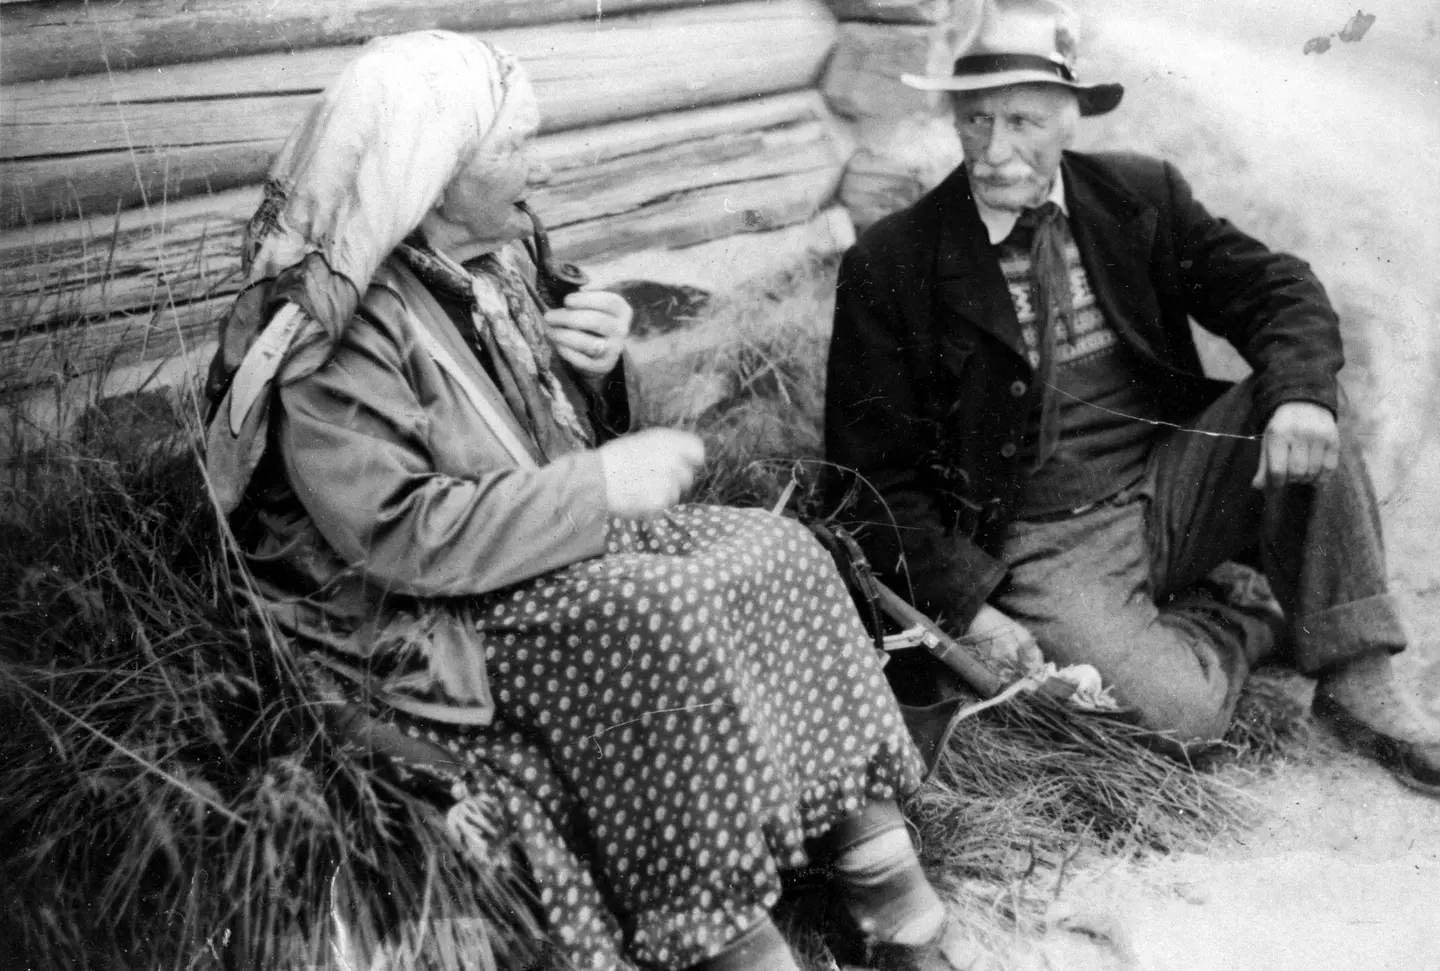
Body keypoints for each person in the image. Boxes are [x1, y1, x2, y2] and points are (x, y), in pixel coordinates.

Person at [203, 30, 981, 971]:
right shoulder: (338, 332)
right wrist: (600, 485)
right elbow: (392, 533)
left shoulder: (497, 255)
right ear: (434, 171)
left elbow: (541, 434)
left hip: (528, 547)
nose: (536, 164)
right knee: (660, 613)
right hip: (419, 611)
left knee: (786, 556)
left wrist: (602, 370)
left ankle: (884, 889)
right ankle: (724, 939)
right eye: (512, 148)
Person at [824, 0, 1440, 792]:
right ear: (952, 118)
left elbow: (1278, 291)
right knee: (1175, 718)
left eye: (1023, 122)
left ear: (1071, 118)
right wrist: (969, 607)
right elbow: (870, 479)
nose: (996, 151)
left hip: (1171, 480)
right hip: (1043, 539)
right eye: (976, 121)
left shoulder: (1134, 197)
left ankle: (1358, 676)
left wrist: (1301, 399)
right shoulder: (892, 261)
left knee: (1299, 399)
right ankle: (1246, 607)